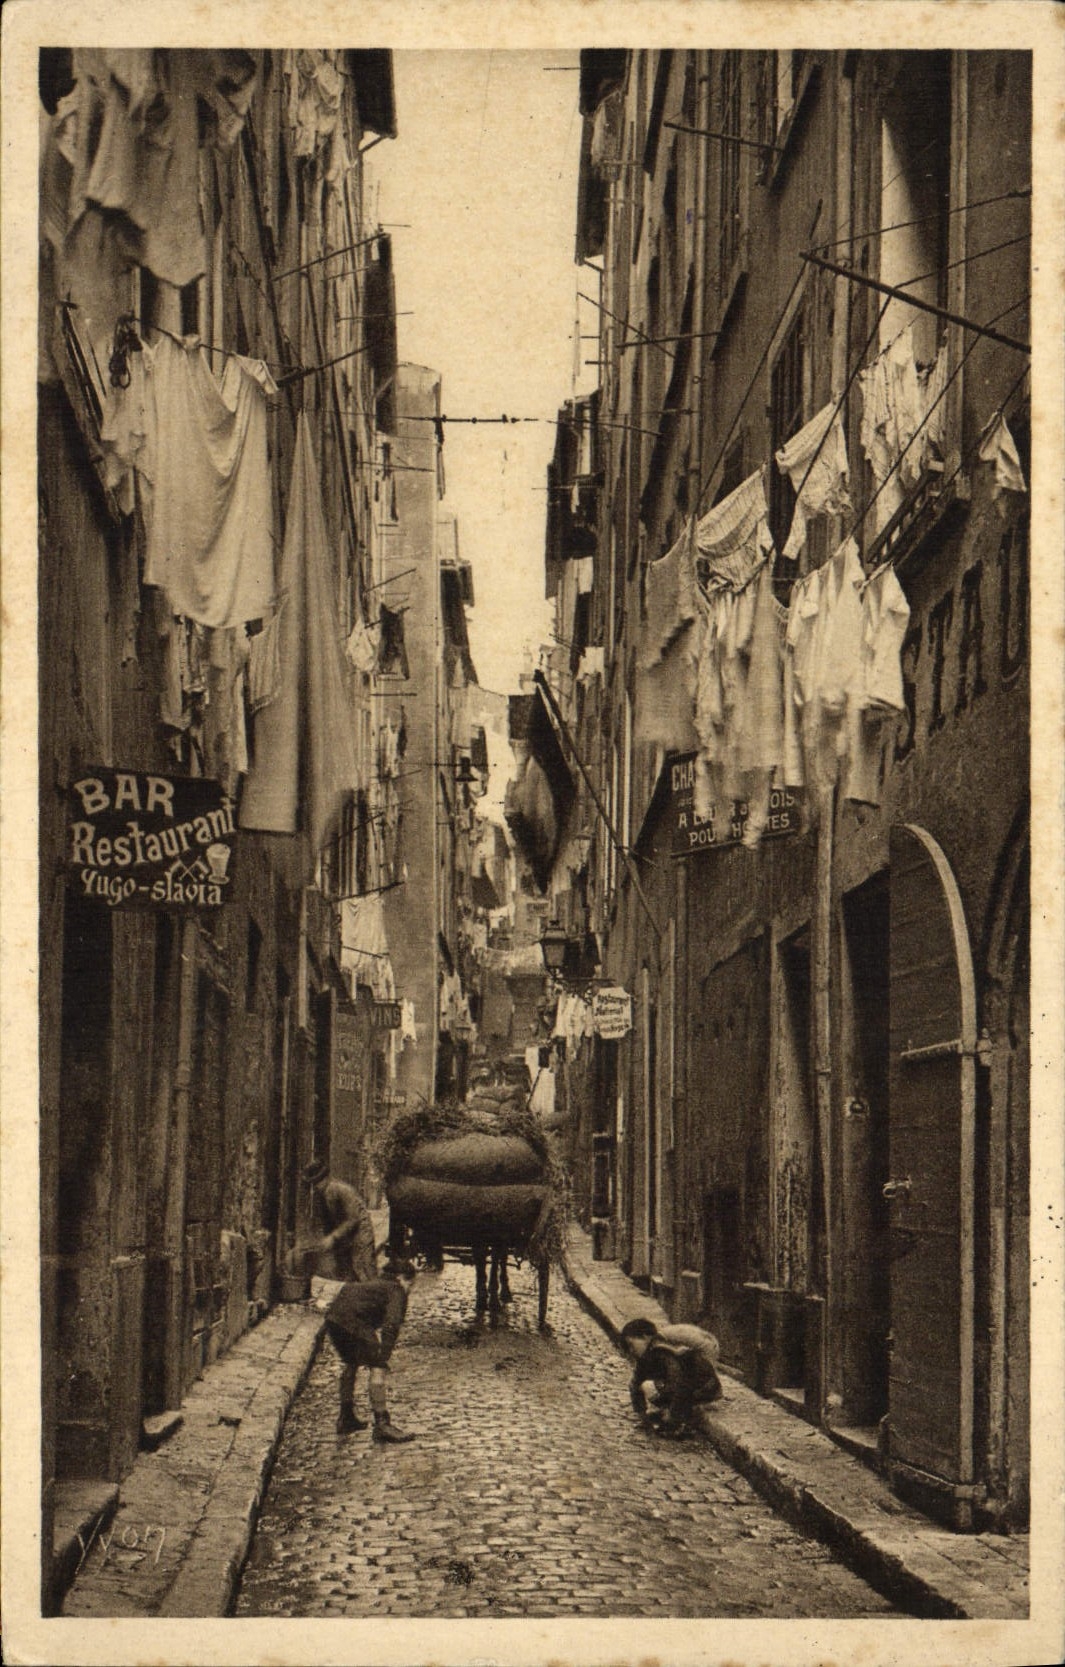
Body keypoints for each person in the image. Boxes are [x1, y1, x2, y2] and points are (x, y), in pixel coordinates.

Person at [325, 1259, 418, 1442]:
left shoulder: (375, 1283)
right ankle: (382, 1423)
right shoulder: (396, 1290)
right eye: (410, 1283)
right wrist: (383, 1356)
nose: (410, 1289)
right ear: (400, 1278)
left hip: (334, 1319)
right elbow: (392, 1324)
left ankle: (346, 1416)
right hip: (355, 1323)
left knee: (351, 1363)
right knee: (378, 1367)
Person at [621, 1316, 724, 1438]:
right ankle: (674, 1412)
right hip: (696, 1360)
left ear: (645, 1337)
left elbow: (677, 1380)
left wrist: (672, 1418)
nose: (631, 1351)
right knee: (657, 1383)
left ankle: (677, 1419)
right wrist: (641, 1413)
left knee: (666, 1385)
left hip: (704, 1359)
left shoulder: (661, 1349)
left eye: (631, 1345)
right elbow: (636, 1382)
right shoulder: (650, 1352)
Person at [302, 1158, 377, 1281]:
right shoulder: (322, 1194)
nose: (316, 1187)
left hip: (360, 1230)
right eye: (314, 1184)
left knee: (365, 1266)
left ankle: (375, 1294)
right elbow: (327, 1222)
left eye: (317, 1183)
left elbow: (353, 1219)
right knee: (346, 1269)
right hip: (345, 1233)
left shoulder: (340, 1189)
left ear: (325, 1178)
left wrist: (333, 1237)